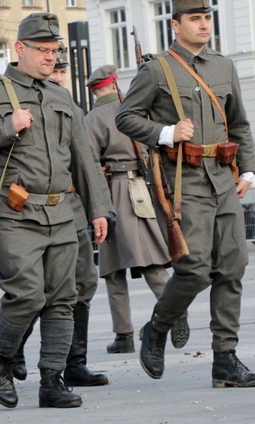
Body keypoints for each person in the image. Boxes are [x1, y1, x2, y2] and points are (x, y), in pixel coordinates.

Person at [0, 12, 111, 409]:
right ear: (20, 49)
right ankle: (0, 361)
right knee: (26, 294)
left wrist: (98, 210)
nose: (50, 57)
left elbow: (84, 159)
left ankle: (52, 381)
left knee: (63, 298)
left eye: (54, 50)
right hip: (14, 211)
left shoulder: (61, 96)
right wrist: (5, 127)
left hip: (61, 213)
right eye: (42, 50)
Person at [115, 0, 255, 388]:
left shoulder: (223, 66)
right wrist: (165, 132)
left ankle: (225, 360)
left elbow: (240, 123)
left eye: (207, 17)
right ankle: (157, 328)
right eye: (195, 18)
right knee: (195, 269)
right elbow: (126, 118)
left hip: (223, 177)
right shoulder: (156, 70)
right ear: (175, 24)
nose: (204, 24)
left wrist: (248, 171)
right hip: (186, 182)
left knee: (233, 266)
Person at [10, 51, 114, 388]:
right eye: (52, 69)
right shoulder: (20, 103)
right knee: (37, 289)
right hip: (34, 207)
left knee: (82, 283)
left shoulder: (71, 107)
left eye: (61, 71)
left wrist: (99, 209)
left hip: (71, 204)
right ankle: (13, 351)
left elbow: (87, 164)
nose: (57, 76)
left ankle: (74, 362)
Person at [83, 65, 189, 355]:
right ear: (114, 84)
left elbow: (90, 164)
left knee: (113, 270)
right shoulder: (137, 111)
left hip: (113, 192)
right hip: (145, 188)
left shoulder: (92, 119)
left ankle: (124, 334)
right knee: (151, 261)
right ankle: (174, 310)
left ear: (94, 90)